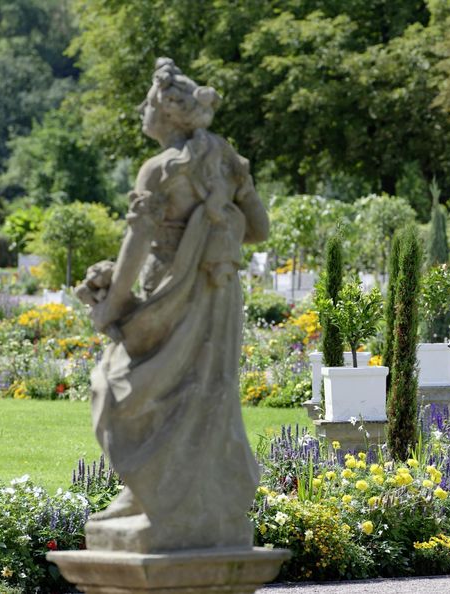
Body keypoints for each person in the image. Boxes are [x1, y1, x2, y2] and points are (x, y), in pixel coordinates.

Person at [78, 57, 269, 552]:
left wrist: (111, 305)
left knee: (116, 387)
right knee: (202, 393)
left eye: (147, 101)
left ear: (165, 112)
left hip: (171, 290)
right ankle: (161, 501)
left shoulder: (159, 169)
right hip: (218, 290)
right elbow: (259, 229)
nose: (142, 109)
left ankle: (152, 499)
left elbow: (136, 243)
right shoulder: (225, 157)